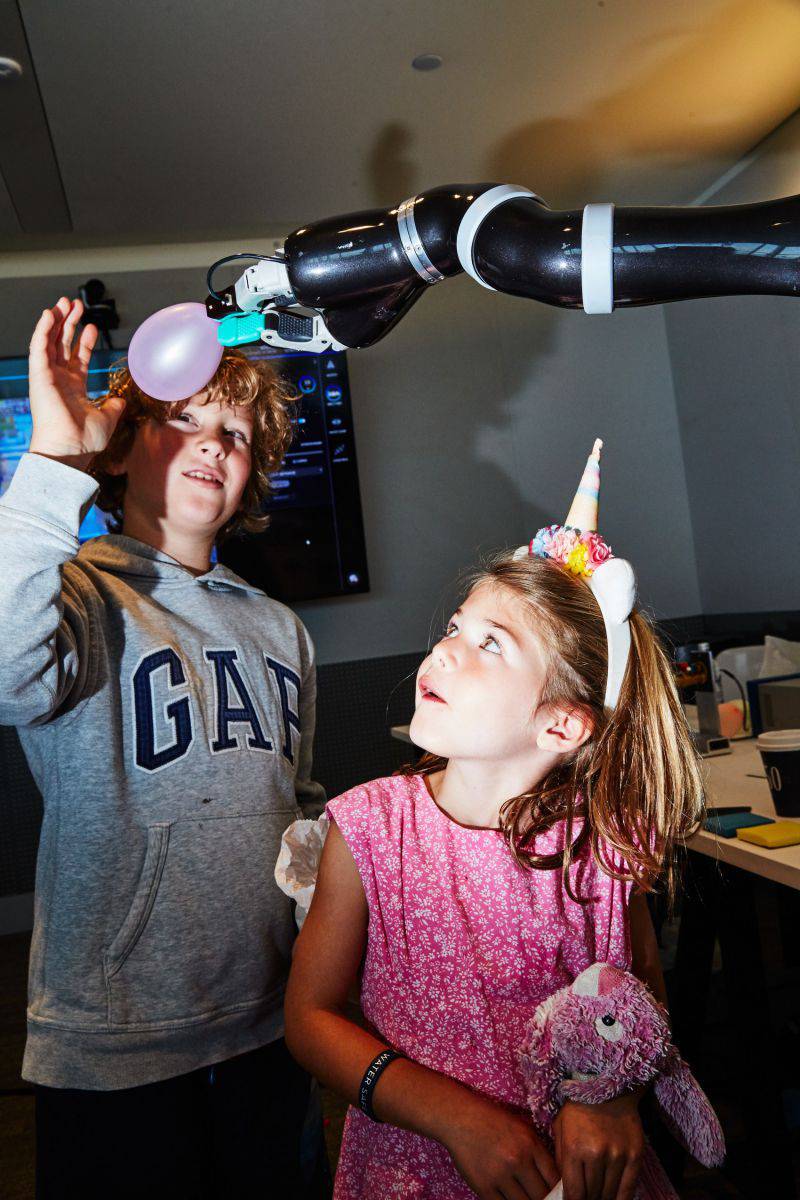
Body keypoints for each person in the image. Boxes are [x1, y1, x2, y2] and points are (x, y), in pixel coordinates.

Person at [284, 441, 704, 1200]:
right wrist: (457, 1119)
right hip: (411, 1170)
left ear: (561, 726)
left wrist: (610, 1100)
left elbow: (642, 1006)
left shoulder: (599, 851)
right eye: (455, 626)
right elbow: (311, 1019)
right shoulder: (371, 829)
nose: (443, 651)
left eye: (489, 644)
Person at [0, 297, 326, 1198]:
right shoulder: (74, 595)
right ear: (121, 446)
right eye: (183, 418)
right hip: (117, 1040)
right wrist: (54, 459)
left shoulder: (282, 631)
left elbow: (295, 805)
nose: (213, 443)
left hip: (270, 1022)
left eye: (235, 432)